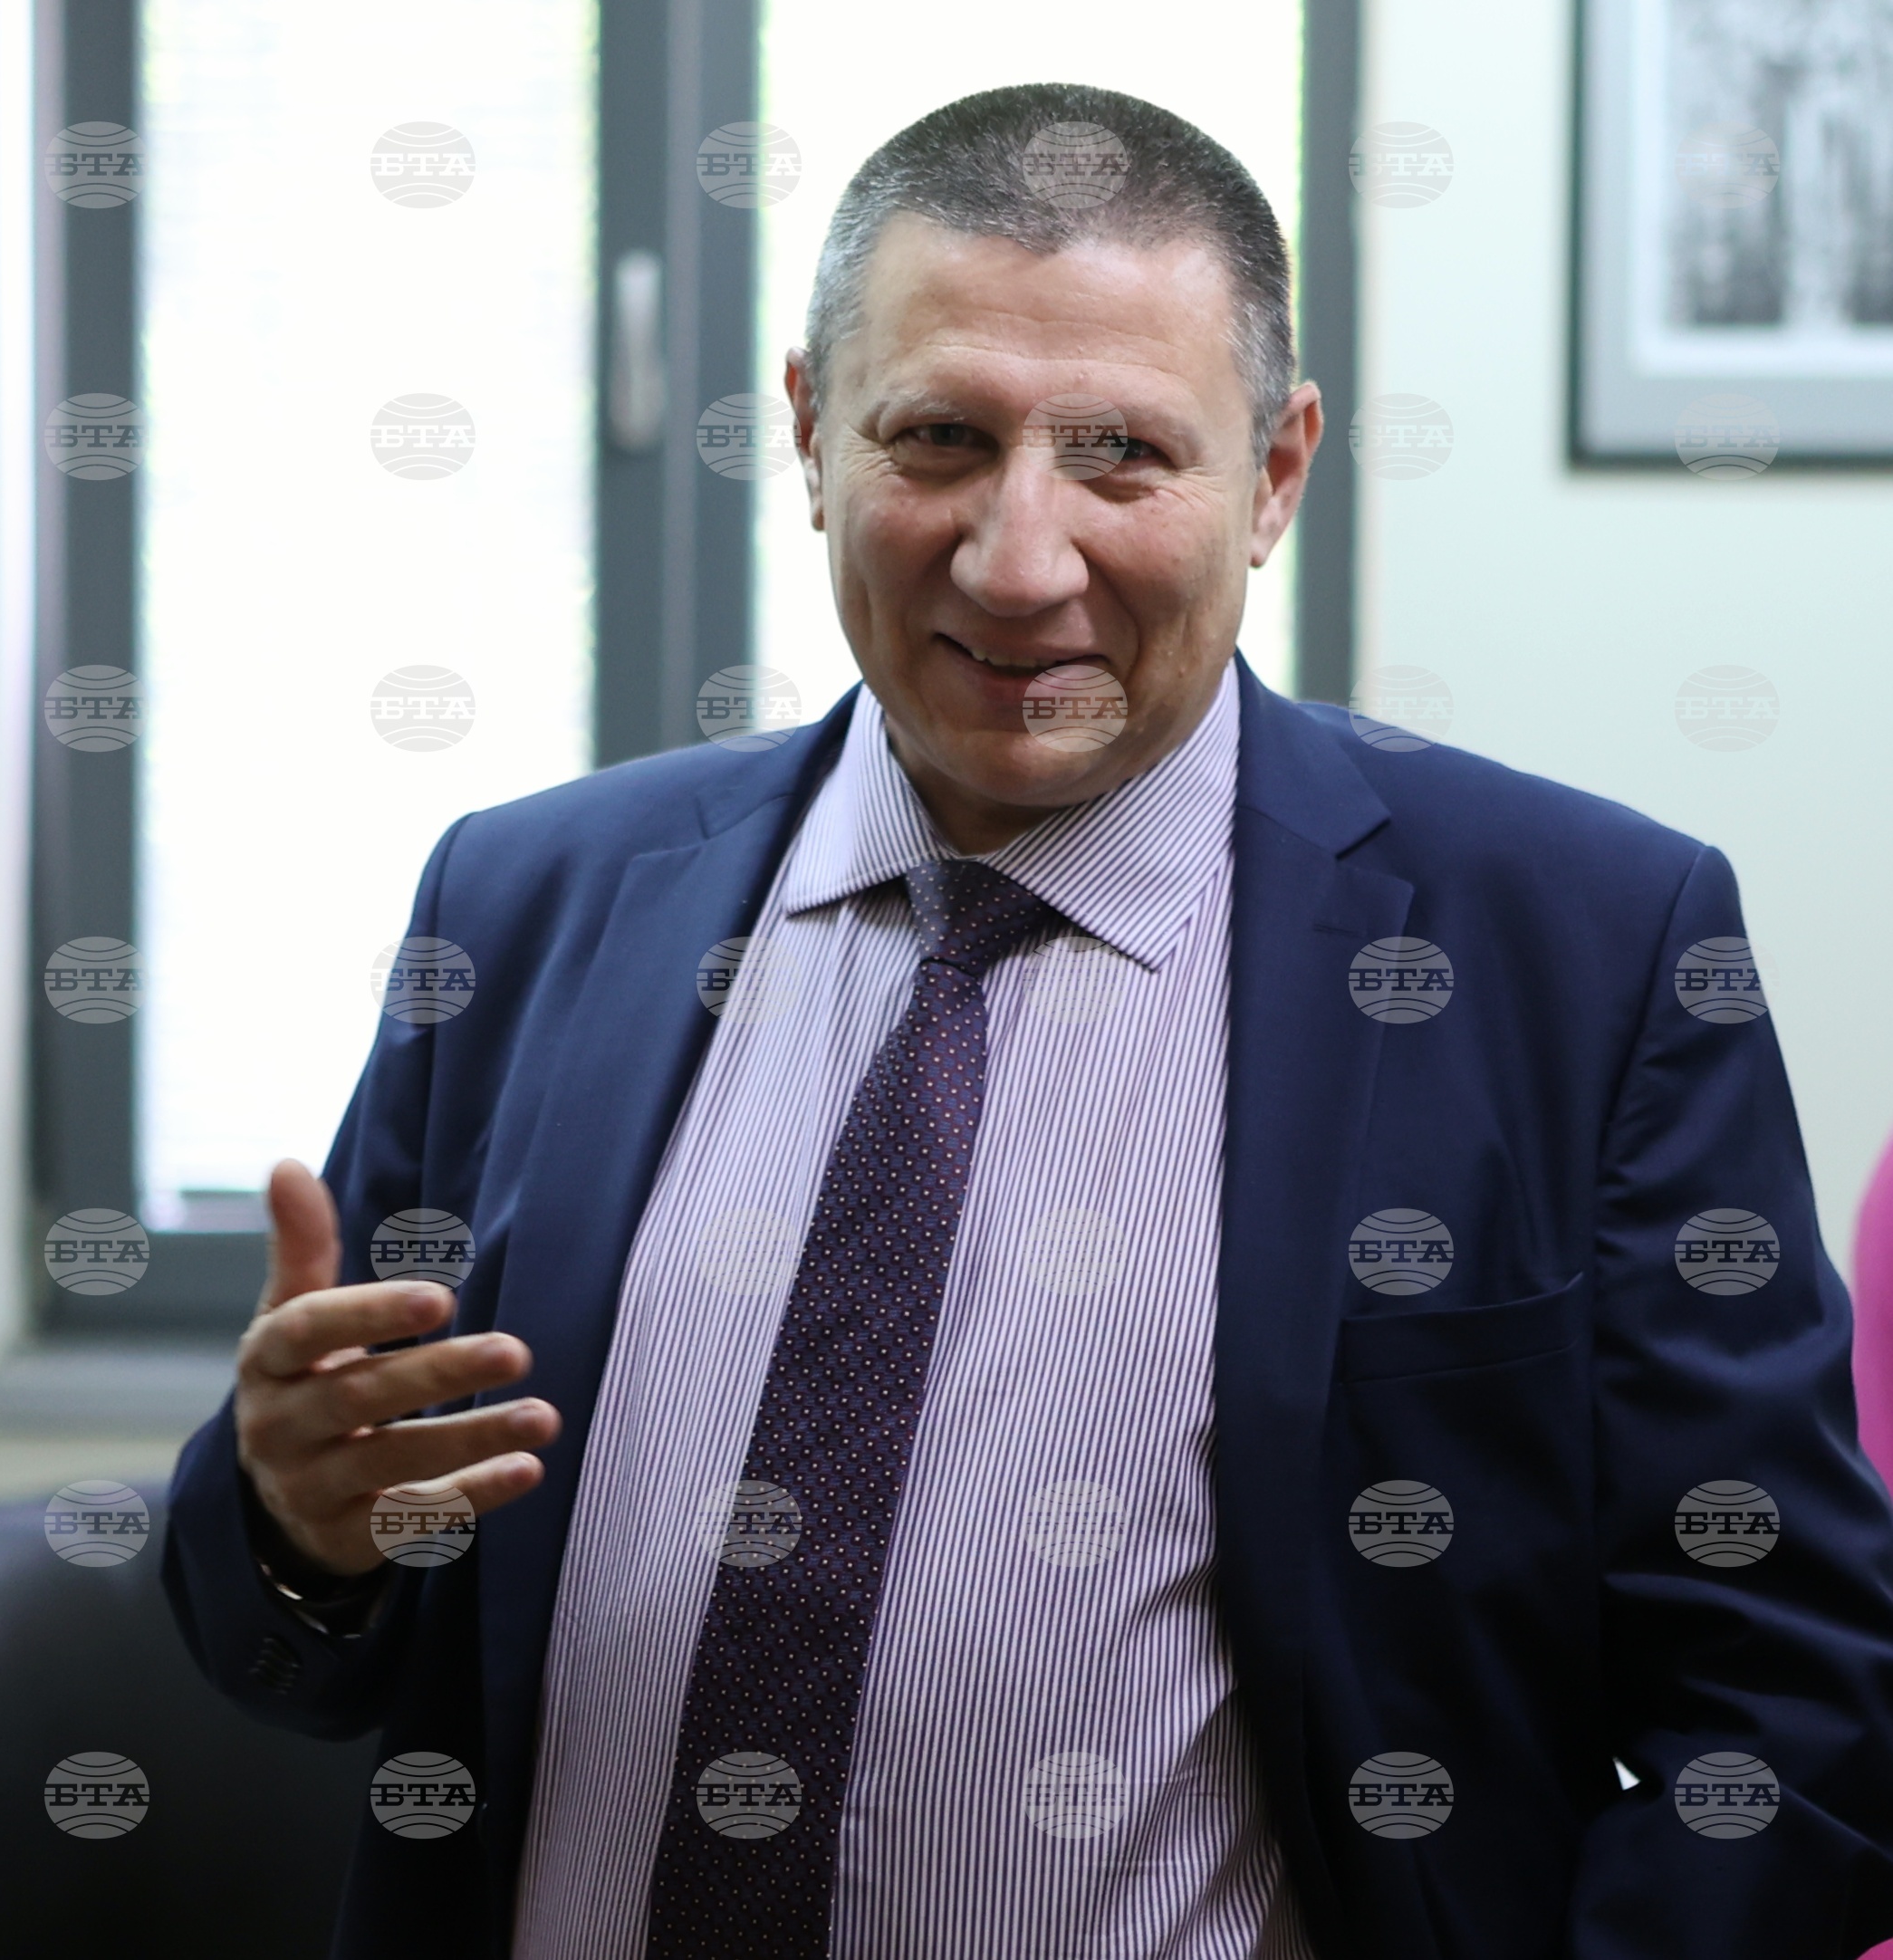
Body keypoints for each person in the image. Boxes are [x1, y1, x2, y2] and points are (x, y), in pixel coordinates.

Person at [164, 82, 1893, 1958]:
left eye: (1122, 455)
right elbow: (314, 1623)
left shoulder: (1580, 950)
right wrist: (293, 1523)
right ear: (810, 433)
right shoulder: (525, 903)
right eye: (939, 438)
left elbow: (1792, 1695)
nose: (1016, 559)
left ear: (1277, 474)